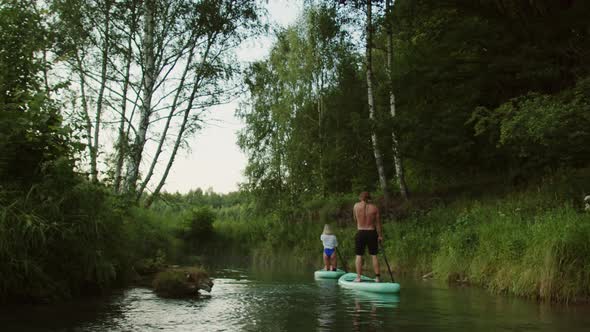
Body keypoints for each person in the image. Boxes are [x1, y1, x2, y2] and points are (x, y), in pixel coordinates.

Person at [353, 191, 382, 282]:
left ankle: (358, 277)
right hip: (371, 232)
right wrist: (380, 235)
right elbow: (378, 224)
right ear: (369, 198)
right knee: (374, 255)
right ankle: (377, 278)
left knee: (359, 255)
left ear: (360, 197)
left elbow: (355, 219)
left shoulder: (356, 206)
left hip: (361, 232)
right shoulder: (374, 208)